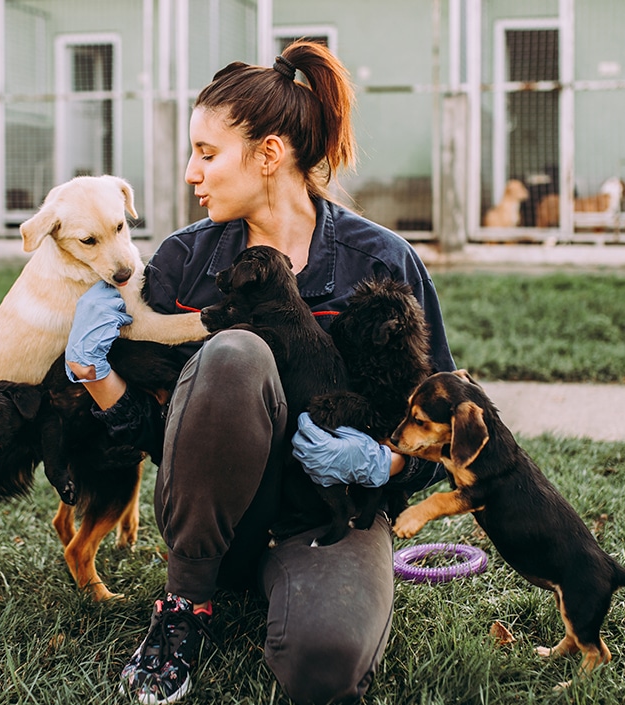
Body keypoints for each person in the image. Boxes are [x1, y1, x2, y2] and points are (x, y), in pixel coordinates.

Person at [64, 41, 455, 705]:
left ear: (269, 154)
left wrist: (380, 466)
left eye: (208, 154)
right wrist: (92, 368)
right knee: (236, 351)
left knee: (326, 663)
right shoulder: (185, 262)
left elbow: (441, 430)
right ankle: (186, 605)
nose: (192, 172)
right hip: (215, 525)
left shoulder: (381, 263)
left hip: (328, 521)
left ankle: (299, 597)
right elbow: (162, 435)